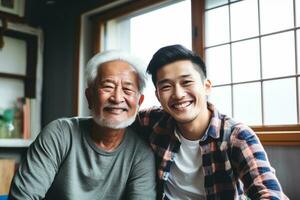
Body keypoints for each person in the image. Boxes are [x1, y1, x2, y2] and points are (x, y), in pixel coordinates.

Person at [135, 44, 288, 200]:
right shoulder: (152, 121)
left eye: (186, 82)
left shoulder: (237, 136)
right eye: (166, 86)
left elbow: (269, 192)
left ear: (207, 86)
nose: (178, 94)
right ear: (158, 95)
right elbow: (119, 117)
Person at [9, 50, 156, 200]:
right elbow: (23, 197)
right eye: (108, 87)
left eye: (127, 89)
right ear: (89, 97)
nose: (117, 98)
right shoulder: (60, 134)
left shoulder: (141, 155)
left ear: (139, 102)